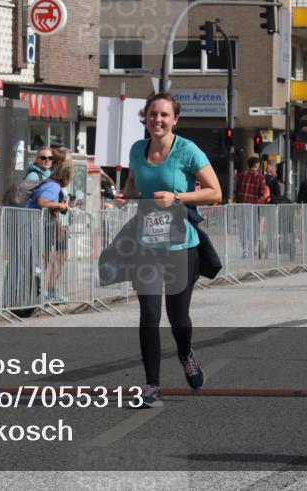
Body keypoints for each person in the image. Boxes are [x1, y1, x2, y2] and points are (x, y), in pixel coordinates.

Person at [114, 92, 221, 408]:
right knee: (148, 314)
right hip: (145, 242)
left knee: (178, 318)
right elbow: (135, 184)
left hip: (180, 245)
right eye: (152, 114)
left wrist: (177, 197)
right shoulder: (137, 149)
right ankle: (151, 385)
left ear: (175, 119)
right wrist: (125, 196)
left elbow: (215, 192)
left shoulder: (188, 150)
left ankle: (186, 352)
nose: (157, 120)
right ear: (145, 118)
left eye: (164, 115)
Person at [25, 157, 74, 302]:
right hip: (33, 227)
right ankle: (35, 295)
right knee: (38, 263)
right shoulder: (53, 186)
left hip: (36, 226)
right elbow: (42, 202)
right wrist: (61, 206)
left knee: (40, 263)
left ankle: (38, 294)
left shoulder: (51, 184)